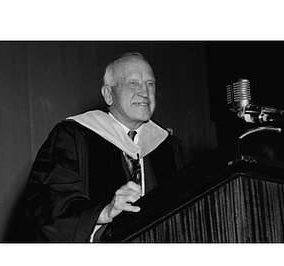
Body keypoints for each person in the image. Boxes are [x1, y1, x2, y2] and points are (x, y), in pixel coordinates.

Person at [26, 52, 187, 242]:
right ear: (109, 94)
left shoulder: (168, 145)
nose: (144, 92)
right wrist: (103, 213)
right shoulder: (74, 136)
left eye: (150, 84)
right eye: (133, 83)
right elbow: (46, 205)